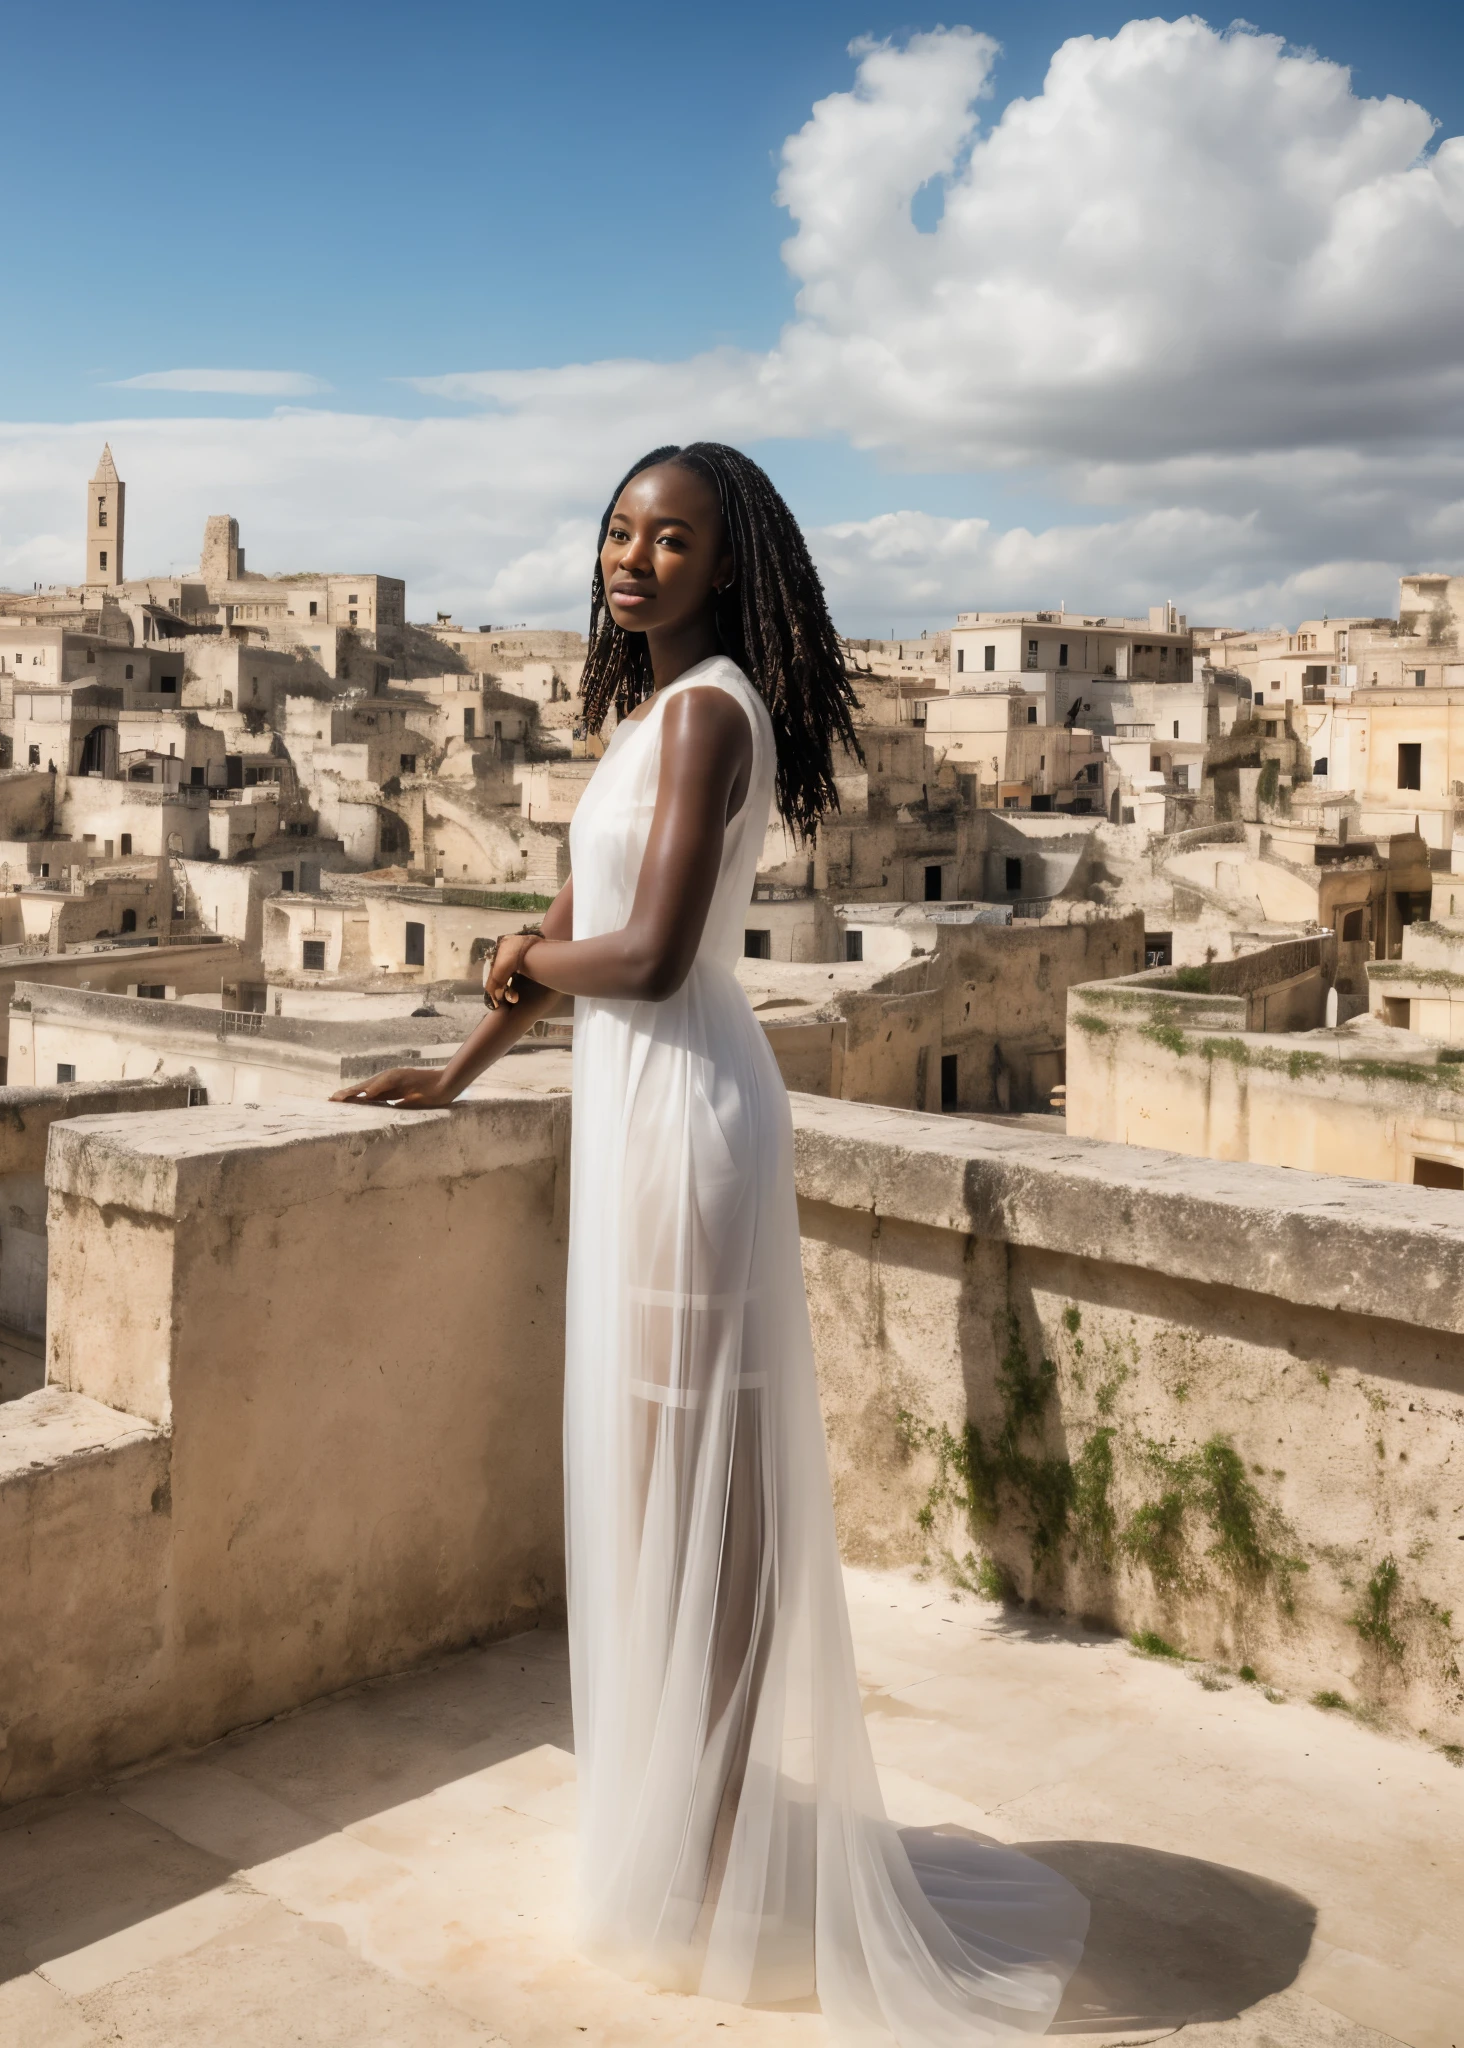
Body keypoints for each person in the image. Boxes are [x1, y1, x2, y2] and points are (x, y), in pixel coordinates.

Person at [335, 445, 1087, 2038]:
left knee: (708, 1480)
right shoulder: (645, 721)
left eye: (672, 539)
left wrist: (528, 948)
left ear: (728, 567)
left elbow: (659, 951)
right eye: (618, 530)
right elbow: (558, 955)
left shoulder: (714, 712)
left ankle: (731, 1826)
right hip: (635, 1103)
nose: (635, 557)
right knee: (652, 1468)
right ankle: (699, 1811)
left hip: (686, 1113)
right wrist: (454, 1065)